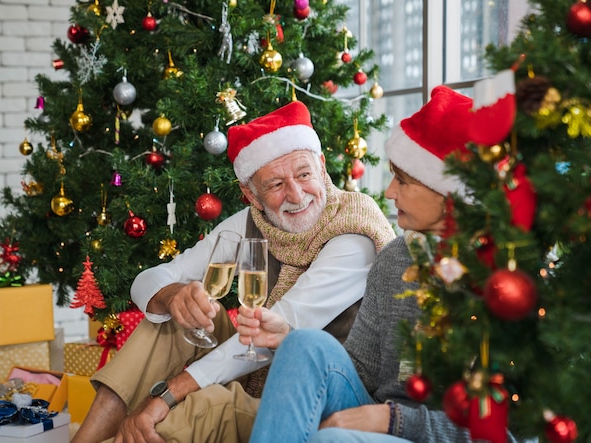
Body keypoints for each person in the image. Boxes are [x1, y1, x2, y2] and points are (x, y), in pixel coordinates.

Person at [71, 100, 396, 443]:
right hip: (257, 366)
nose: (297, 194)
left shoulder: (355, 230)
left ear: (322, 165)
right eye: (275, 184)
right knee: (171, 323)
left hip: (321, 399)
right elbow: (154, 278)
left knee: (203, 407)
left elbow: (278, 332)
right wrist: (170, 296)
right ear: (250, 194)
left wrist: (166, 395)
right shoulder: (252, 223)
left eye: (304, 174)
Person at [237, 86, 518, 442]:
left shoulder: (508, 282)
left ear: (449, 194)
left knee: (331, 440)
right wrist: (286, 340)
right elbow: (357, 371)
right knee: (304, 344)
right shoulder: (397, 258)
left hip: (439, 434)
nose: (388, 192)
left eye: (404, 180)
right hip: (384, 416)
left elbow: (511, 432)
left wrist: (392, 420)